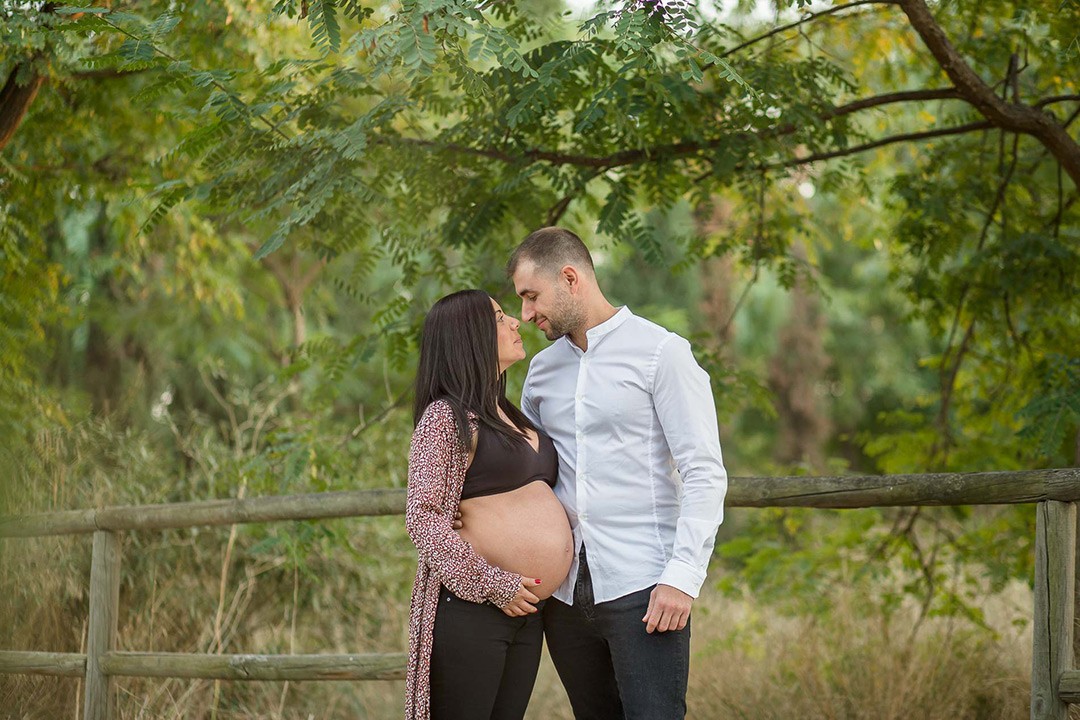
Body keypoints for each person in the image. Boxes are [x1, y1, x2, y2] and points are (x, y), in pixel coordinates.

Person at [508, 227, 728, 720]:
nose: (525, 314)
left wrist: (683, 578)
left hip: (645, 589)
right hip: (563, 596)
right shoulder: (541, 371)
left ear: (570, 278)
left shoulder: (661, 353)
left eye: (530, 296)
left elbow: (704, 472)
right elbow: (529, 476)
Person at [404, 289, 575, 720]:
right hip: (474, 610)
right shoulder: (445, 418)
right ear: (469, 337)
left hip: (528, 613)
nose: (516, 322)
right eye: (500, 318)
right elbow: (422, 519)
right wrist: (493, 584)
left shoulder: (510, 413)